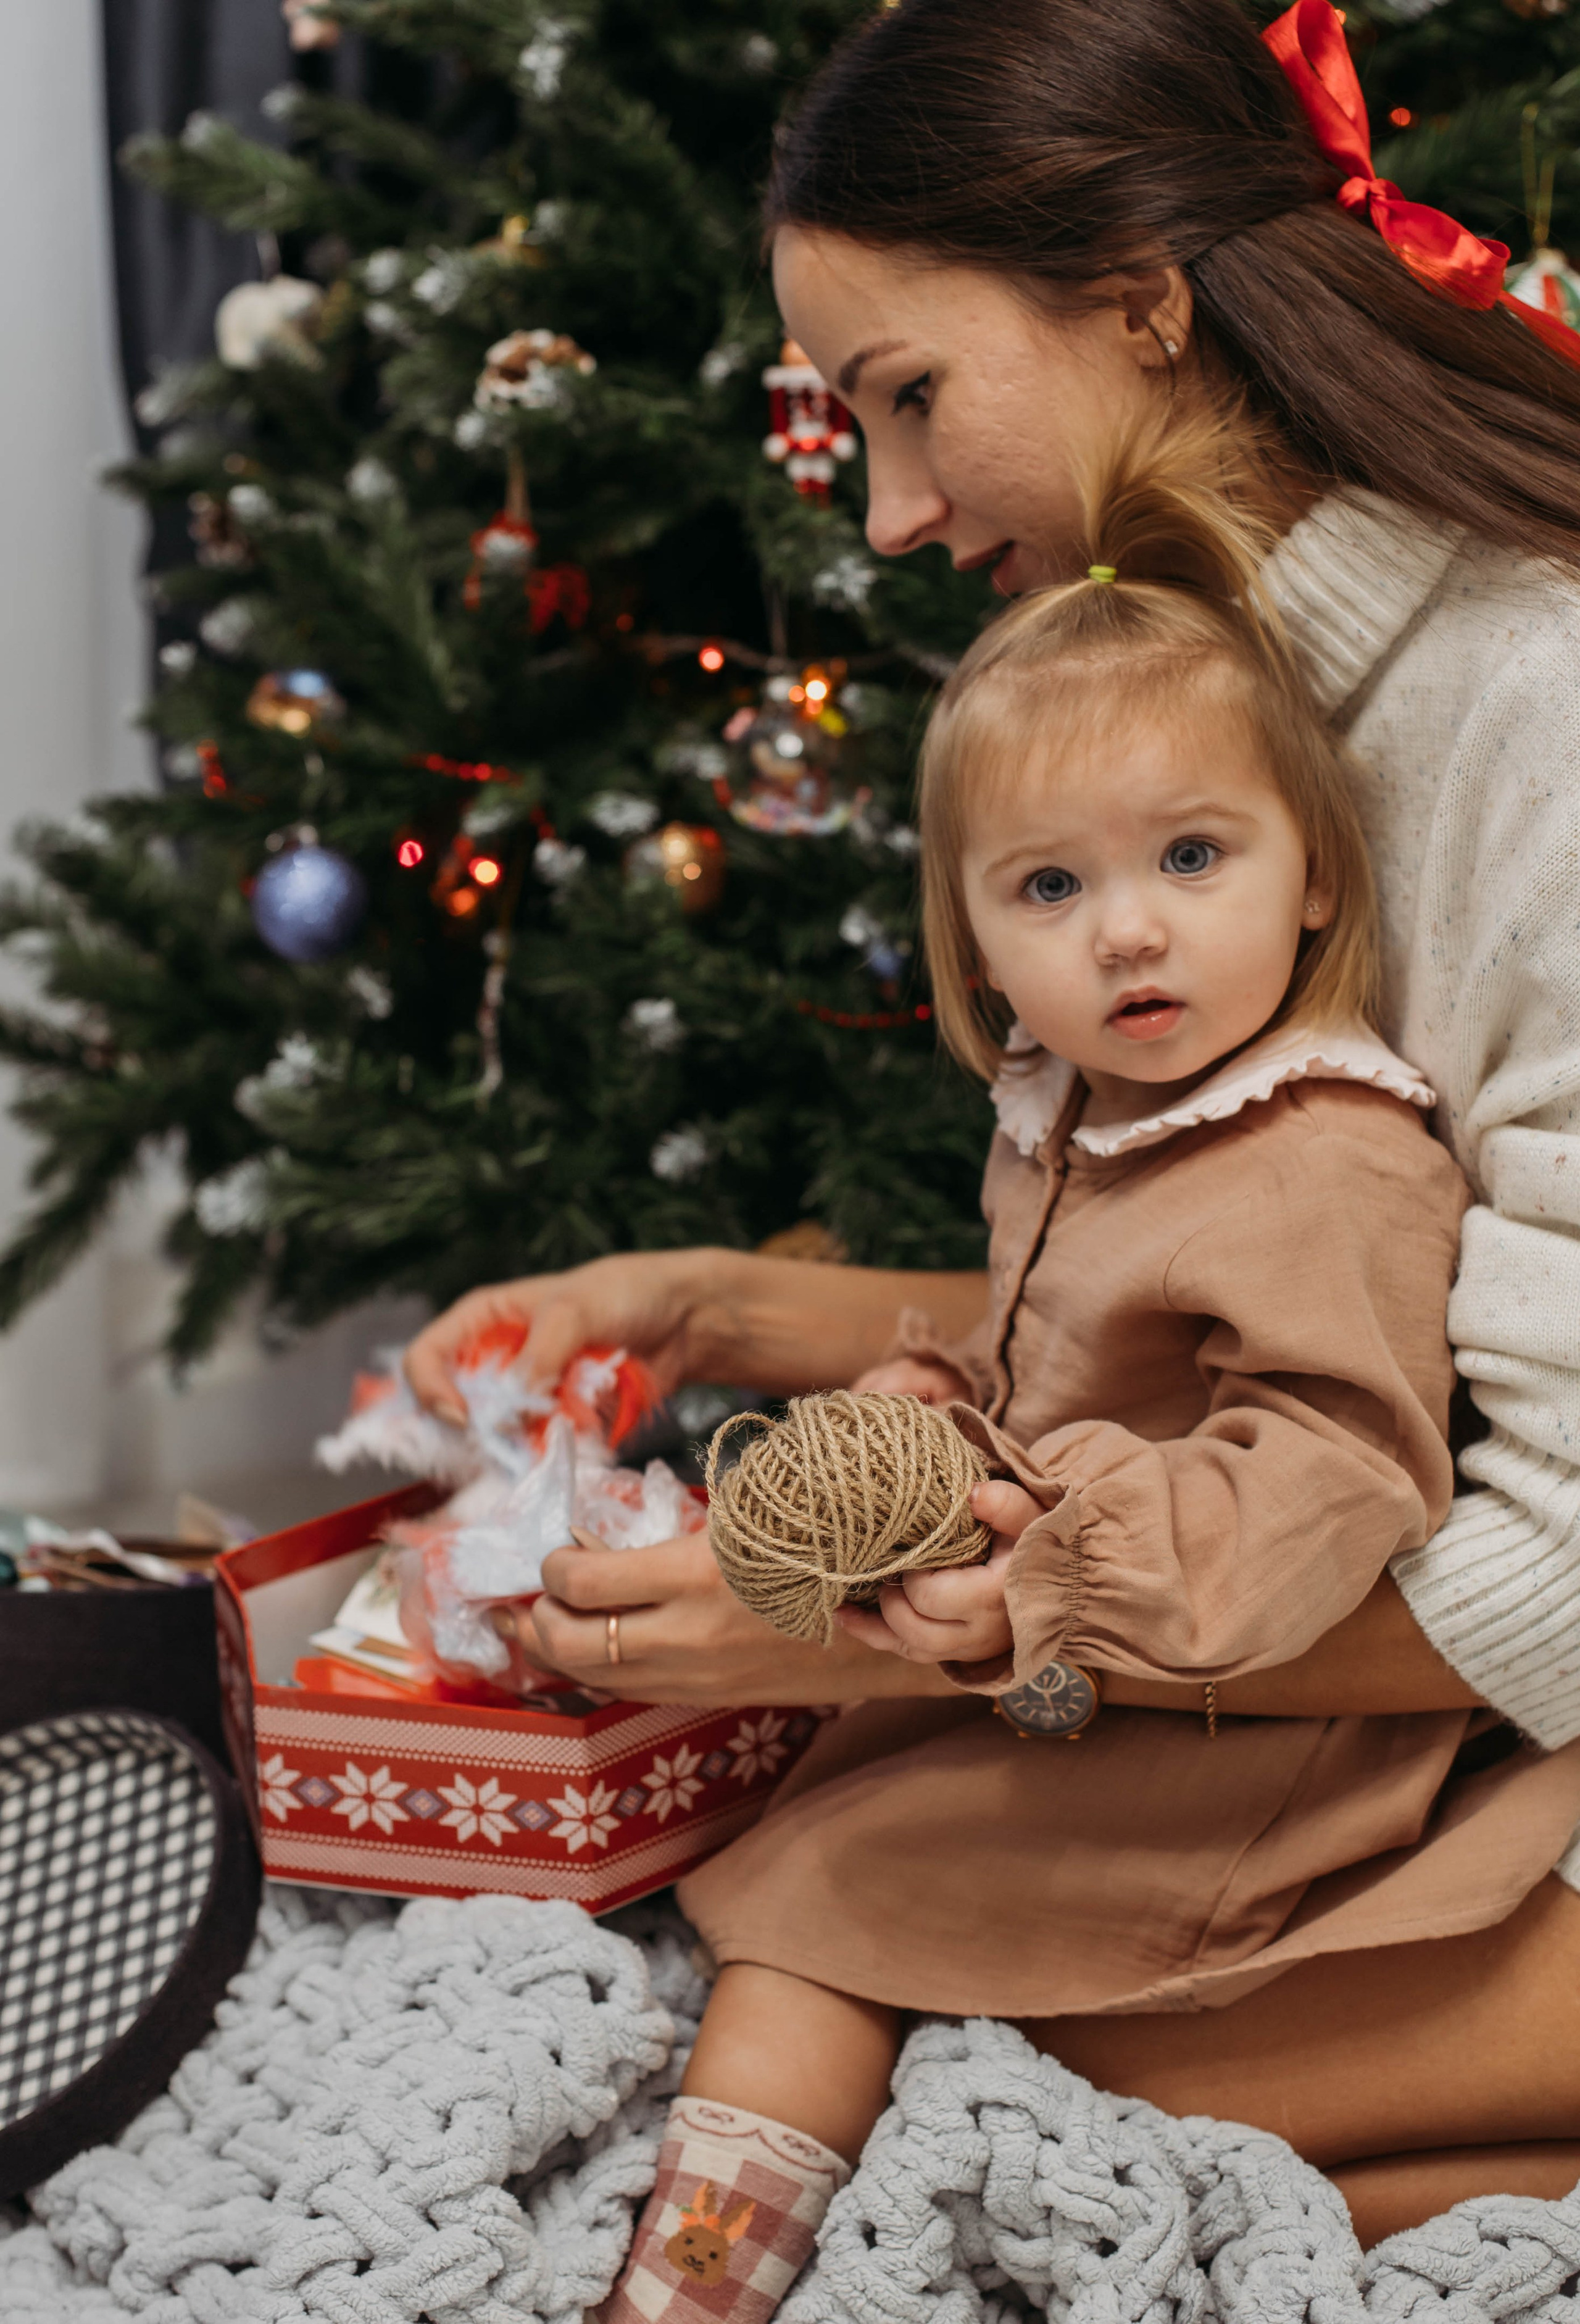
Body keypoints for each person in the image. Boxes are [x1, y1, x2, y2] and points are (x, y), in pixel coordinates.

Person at [405, 0, 1580, 2249]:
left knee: (920, 2013)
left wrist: (887, 1630)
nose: (896, 512)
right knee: (856, 1954)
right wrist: (722, 1312)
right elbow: (1267, 1306)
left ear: (1143, 304)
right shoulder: (1205, 735)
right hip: (1397, 1716)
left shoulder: (1534, 704)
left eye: (906, 397)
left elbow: (1547, 1571)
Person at [597, 419, 1580, 2323]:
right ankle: (705, 2251)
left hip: (1254, 1716)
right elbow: (1050, 1364)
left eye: (1191, 856)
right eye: (1045, 891)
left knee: (825, 1906)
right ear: (969, 942)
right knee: (808, 1864)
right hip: (1103, 1655)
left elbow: (1338, 1475)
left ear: (1312, 877)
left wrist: (1040, 1557)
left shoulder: (1326, 1151)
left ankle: (693, 2282)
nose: (1127, 929)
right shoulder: (1085, 1114)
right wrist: (931, 1426)